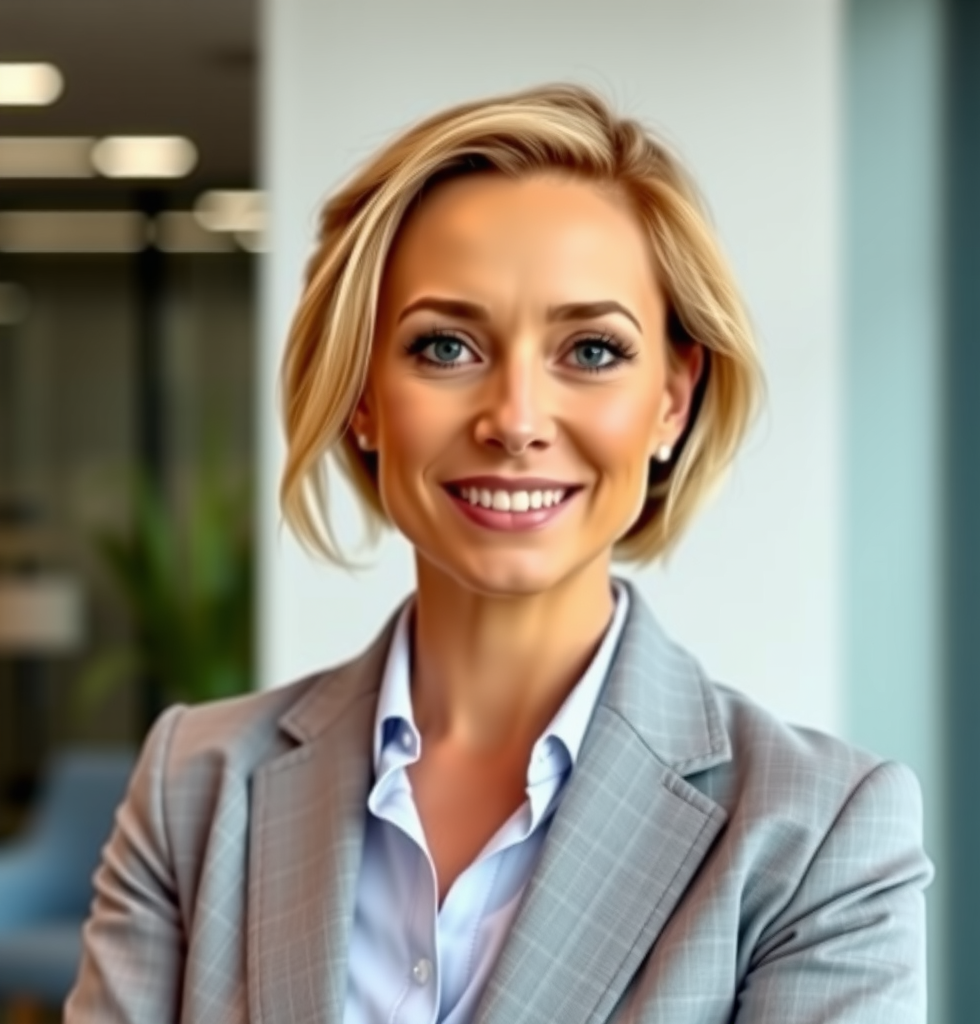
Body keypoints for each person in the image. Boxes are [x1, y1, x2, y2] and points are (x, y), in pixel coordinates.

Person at [66, 83, 933, 1024]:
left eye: (592, 351)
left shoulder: (819, 836)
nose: (515, 421)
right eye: (444, 347)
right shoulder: (194, 786)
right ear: (361, 394)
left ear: (674, 400)